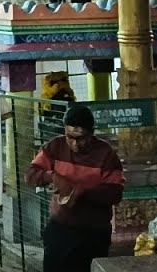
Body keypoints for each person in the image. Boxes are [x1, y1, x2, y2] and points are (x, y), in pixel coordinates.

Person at [25, 104, 124, 272]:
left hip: (94, 233)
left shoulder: (106, 154)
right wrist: (52, 177)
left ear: (92, 133)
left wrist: (81, 192)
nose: (75, 144)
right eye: (70, 137)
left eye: (81, 138)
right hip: (61, 227)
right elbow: (30, 175)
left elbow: (115, 193)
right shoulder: (55, 147)